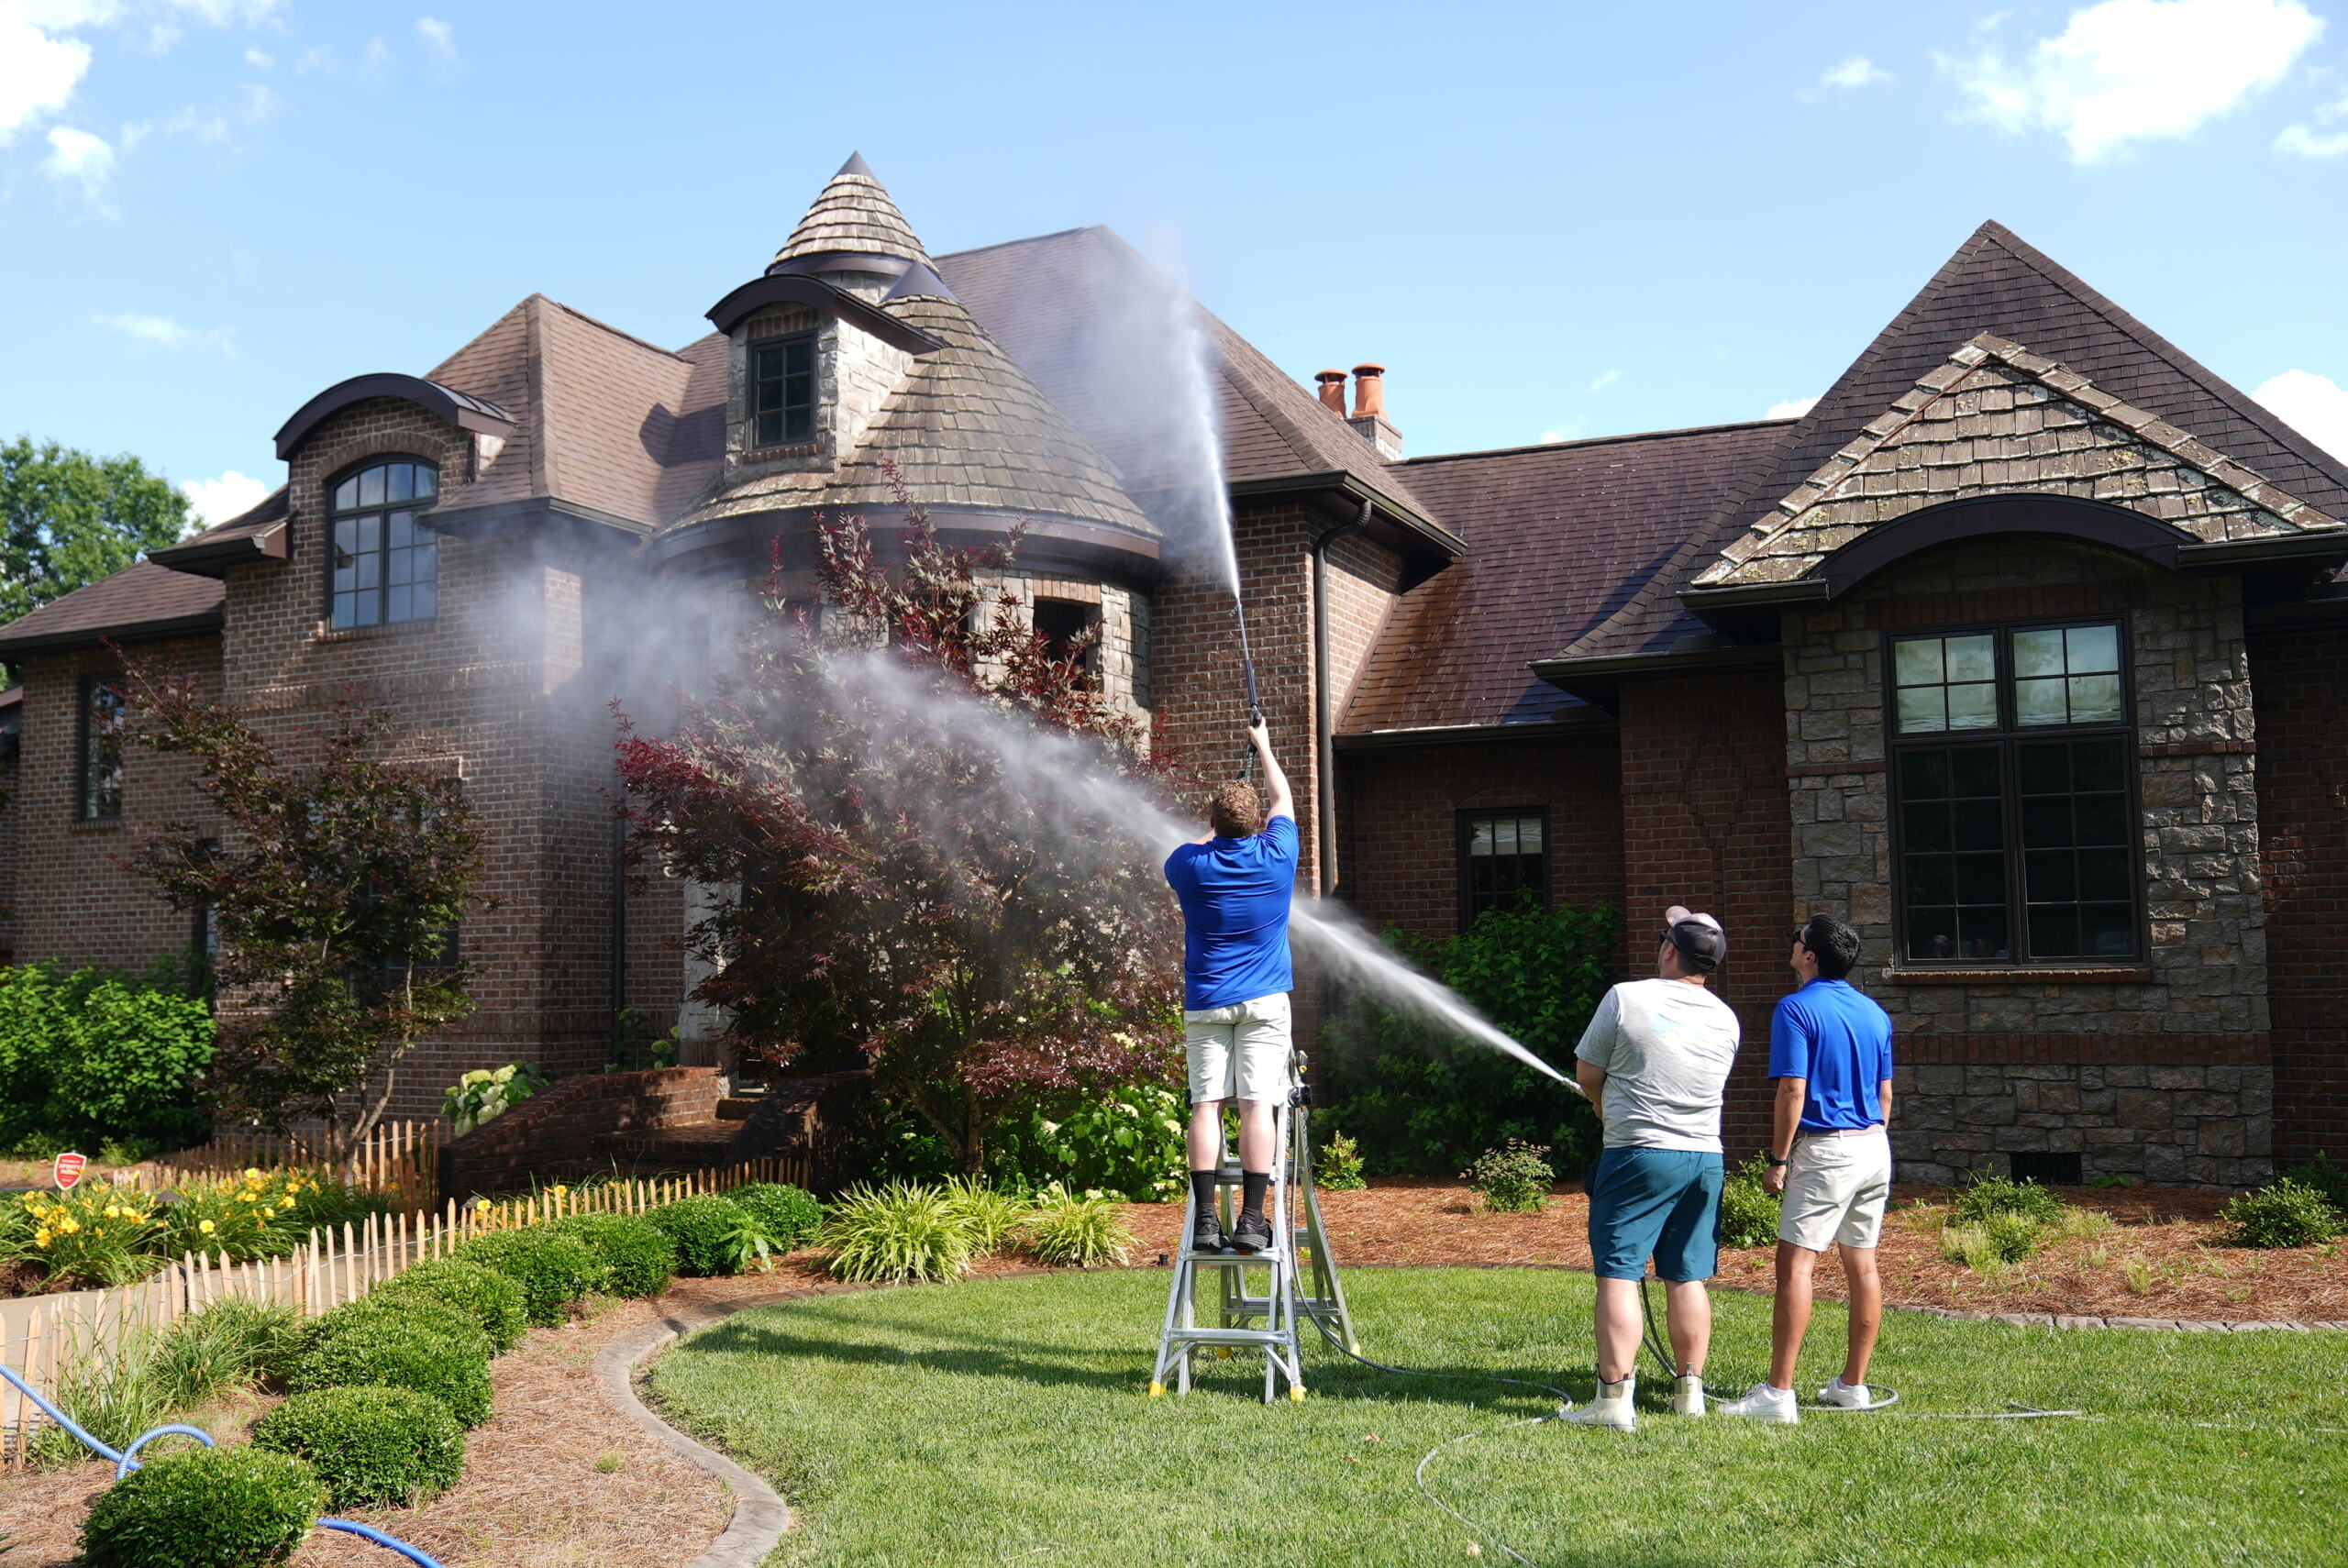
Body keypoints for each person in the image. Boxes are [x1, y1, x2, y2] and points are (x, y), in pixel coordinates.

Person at [1564, 905, 1739, 1431]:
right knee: (1686, 1276)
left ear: (1668, 951)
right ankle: (1690, 1393)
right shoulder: (1726, 1017)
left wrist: (1598, 1101)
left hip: (1638, 1153)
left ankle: (1614, 1401)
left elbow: (1587, 1072)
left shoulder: (1627, 996)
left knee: (1618, 1273)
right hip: (1705, 1158)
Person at [1718, 914, 1895, 1426]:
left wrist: (1778, 1158)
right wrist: (1870, 1137)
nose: (1792, 947)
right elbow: (1885, 1095)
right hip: (1874, 1145)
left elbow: (1793, 1090)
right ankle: (1852, 1387)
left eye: (1797, 942)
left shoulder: (1794, 1008)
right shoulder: (1875, 1012)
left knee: (1795, 1266)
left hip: (1827, 1150)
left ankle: (1778, 1394)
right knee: (1862, 1265)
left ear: (1810, 956)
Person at [1161, 720, 1298, 1257]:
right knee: (1256, 1107)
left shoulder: (1189, 865)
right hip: (1264, 1004)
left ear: (1213, 821)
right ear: (1258, 823)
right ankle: (1251, 1221)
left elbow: (1196, 845)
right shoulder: (1278, 854)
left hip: (1207, 1005)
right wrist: (1262, 744)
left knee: (1205, 1106)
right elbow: (1283, 795)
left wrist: (1212, 830)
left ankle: (1203, 1223)